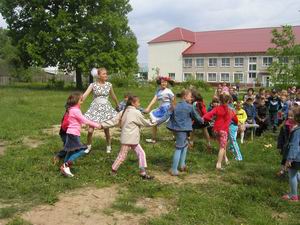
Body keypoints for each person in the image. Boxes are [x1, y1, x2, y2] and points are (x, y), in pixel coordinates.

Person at [101, 96, 156, 179]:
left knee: (140, 153)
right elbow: (145, 122)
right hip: (130, 139)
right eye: (138, 102)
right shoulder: (136, 113)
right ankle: (112, 171)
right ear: (133, 103)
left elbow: (113, 121)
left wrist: (101, 125)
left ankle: (143, 172)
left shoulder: (123, 111)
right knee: (122, 156)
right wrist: (155, 121)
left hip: (130, 139)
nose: (139, 104)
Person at [60, 92, 101, 177]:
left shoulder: (71, 109)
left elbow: (79, 120)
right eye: (81, 100)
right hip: (73, 133)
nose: (82, 101)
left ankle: (64, 167)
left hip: (70, 133)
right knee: (82, 150)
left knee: (71, 151)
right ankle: (66, 165)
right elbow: (84, 120)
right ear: (76, 101)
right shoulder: (76, 110)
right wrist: (98, 125)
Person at [83, 68, 119, 153]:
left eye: (106, 73)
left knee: (106, 129)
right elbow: (85, 95)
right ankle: (88, 147)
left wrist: (117, 105)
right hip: (95, 109)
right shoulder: (93, 85)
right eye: (104, 74)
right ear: (98, 76)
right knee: (90, 130)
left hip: (105, 109)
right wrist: (78, 103)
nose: (106, 75)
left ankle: (108, 146)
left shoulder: (109, 85)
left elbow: (113, 96)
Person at [167, 89, 200, 176]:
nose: (192, 98)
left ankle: (182, 165)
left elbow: (167, 114)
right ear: (185, 97)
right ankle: (174, 169)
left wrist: (157, 121)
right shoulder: (189, 107)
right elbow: (196, 116)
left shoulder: (175, 105)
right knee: (179, 148)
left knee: (184, 146)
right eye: (190, 96)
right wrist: (203, 120)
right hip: (182, 130)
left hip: (176, 129)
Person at [203, 94, 238, 170]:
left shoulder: (216, 108)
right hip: (223, 131)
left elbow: (206, 116)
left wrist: (212, 120)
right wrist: (235, 122)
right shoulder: (231, 110)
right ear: (229, 101)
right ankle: (218, 164)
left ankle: (225, 159)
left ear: (220, 100)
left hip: (215, 130)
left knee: (222, 145)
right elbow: (236, 120)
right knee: (222, 147)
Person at [144, 76, 175, 143]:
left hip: (168, 110)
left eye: (165, 82)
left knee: (172, 124)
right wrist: (148, 108)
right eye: (162, 82)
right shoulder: (158, 91)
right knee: (154, 122)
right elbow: (154, 100)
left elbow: (173, 101)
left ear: (167, 83)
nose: (164, 83)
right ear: (160, 83)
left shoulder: (168, 91)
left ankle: (176, 138)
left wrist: (173, 109)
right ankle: (153, 139)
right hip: (160, 110)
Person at [282, 107, 300, 202]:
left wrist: (289, 159)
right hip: (297, 156)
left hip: (295, 157)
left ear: (297, 118)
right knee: (296, 173)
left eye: (292, 116)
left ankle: (294, 196)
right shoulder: (297, 128)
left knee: (292, 175)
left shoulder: (297, 131)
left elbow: (295, 145)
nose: (290, 117)